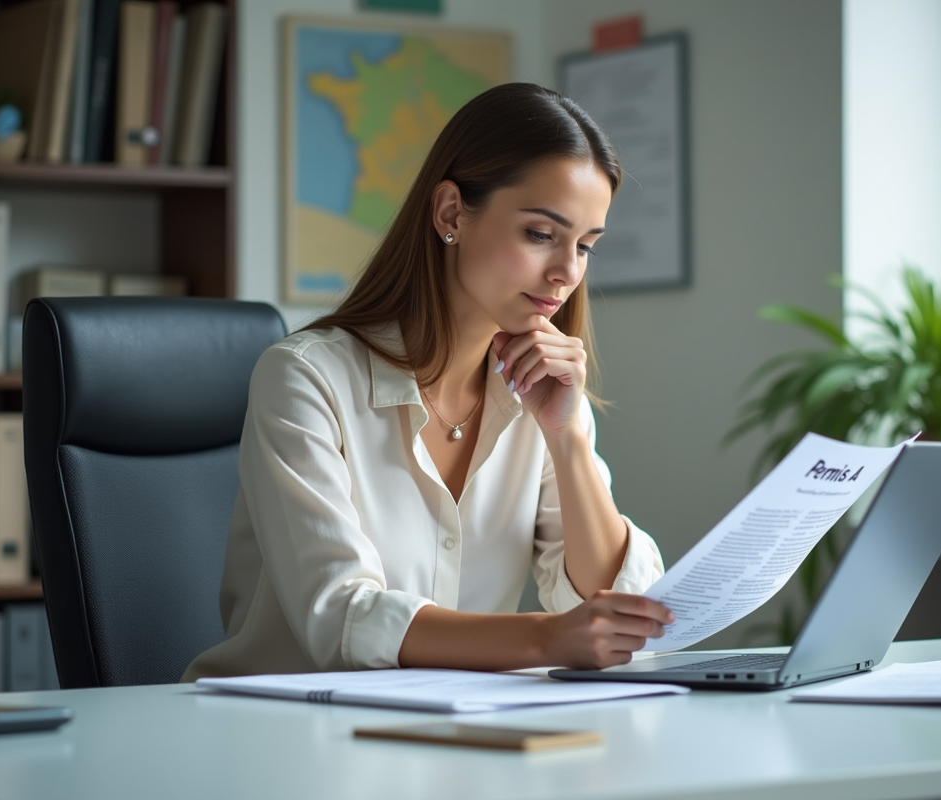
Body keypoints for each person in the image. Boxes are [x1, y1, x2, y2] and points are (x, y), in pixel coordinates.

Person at [183, 83, 672, 681]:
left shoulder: (546, 395)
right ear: (450, 214)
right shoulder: (306, 379)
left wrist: (567, 436)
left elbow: (614, 605)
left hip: (453, 733)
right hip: (291, 735)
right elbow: (340, 617)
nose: (567, 272)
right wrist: (547, 639)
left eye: (586, 246)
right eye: (541, 234)